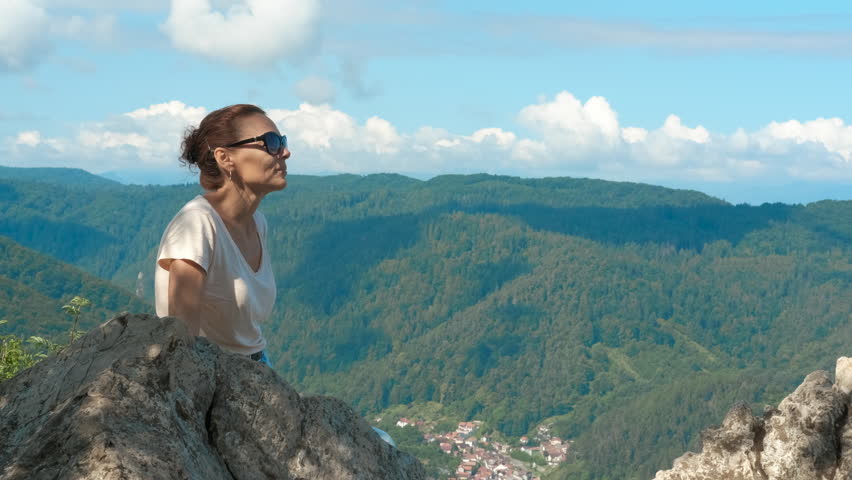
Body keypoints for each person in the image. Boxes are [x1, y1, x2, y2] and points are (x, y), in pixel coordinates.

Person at [154, 104, 288, 367]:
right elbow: (183, 343)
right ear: (225, 158)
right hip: (218, 376)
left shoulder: (257, 222)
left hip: (258, 366)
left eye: (282, 141)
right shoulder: (197, 224)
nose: (285, 152)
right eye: (271, 142)